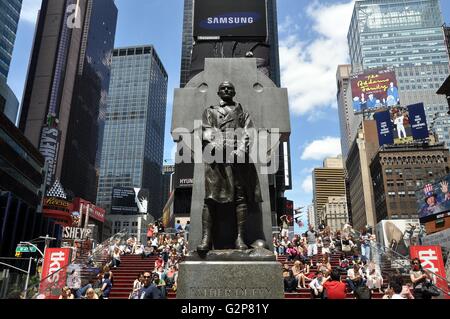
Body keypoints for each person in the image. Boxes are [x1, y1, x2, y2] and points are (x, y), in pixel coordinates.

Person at [197, 81, 263, 252]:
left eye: (230, 88)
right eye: (223, 88)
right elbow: (205, 130)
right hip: (216, 161)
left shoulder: (243, 113)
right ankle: (206, 239)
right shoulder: (210, 111)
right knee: (210, 199)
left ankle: (240, 238)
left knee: (240, 198)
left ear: (234, 92)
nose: (226, 90)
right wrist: (215, 142)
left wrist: (241, 149)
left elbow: (249, 133)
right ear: (218, 92)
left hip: (238, 160)